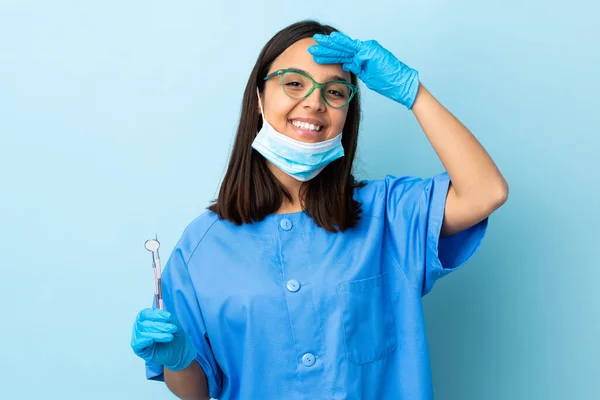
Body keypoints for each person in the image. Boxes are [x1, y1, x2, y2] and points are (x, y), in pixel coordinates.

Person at [130, 20, 508, 400]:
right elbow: (196, 393)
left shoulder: (389, 214)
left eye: (334, 90)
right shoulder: (202, 246)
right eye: (294, 83)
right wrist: (178, 359)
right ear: (259, 98)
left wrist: (413, 93)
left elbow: (485, 192)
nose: (314, 101)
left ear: (348, 112)